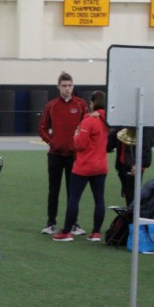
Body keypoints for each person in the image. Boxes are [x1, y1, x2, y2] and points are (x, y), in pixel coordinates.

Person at [53, 91, 108, 242]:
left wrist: (76, 135)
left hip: (84, 165)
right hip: (101, 165)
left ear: (93, 103)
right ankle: (96, 232)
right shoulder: (107, 121)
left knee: (74, 199)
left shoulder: (89, 121)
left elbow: (80, 145)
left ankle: (66, 232)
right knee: (99, 199)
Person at [39, 72, 89, 236]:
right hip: (55, 155)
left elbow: (87, 127)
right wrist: (52, 142)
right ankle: (51, 223)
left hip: (74, 156)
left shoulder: (81, 105)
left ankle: (73, 224)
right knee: (53, 190)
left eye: (70, 85)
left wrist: (80, 145)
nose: (67, 88)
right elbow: (42, 128)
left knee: (72, 192)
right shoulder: (51, 106)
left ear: (73, 86)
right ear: (58, 87)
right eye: (64, 86)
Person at [109, 127, 152, 207]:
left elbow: (146, 146)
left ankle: (133, 213)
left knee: (132, 197)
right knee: (128, 195)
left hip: (133, 166)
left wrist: (139, 164)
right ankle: (130, 212)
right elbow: (111, 144)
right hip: (122, 165)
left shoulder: (143, 126)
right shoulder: (122, 125)